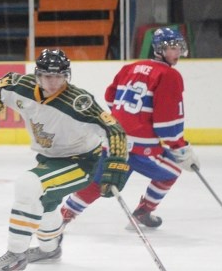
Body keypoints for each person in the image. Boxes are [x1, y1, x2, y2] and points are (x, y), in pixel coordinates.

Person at [0, 49, 129, 271]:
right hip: (48, 158)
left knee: (28, 185)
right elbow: (0, 87)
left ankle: (16, 255)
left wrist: (116, 164)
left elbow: (114, 129)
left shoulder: (78, 102)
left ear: (67, 76)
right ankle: (49, 249)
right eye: (46, 76)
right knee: (45, 204)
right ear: (37, 75)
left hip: (82, 162)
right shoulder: (21, 87)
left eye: (59, 76)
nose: (53, 82)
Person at [57, 27, 199, 236]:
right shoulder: (169, 75)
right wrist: (180, 147)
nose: (176, 52)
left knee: (99, 182)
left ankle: (63, 215)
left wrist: (127, 120)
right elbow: (167, 122)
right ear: (159, 50)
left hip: (113, 139)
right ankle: (144, 211)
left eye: (178, 47)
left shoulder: (131, 67)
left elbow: (110, 97)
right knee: (172, 171)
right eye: (171, 48)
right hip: (141, 147)